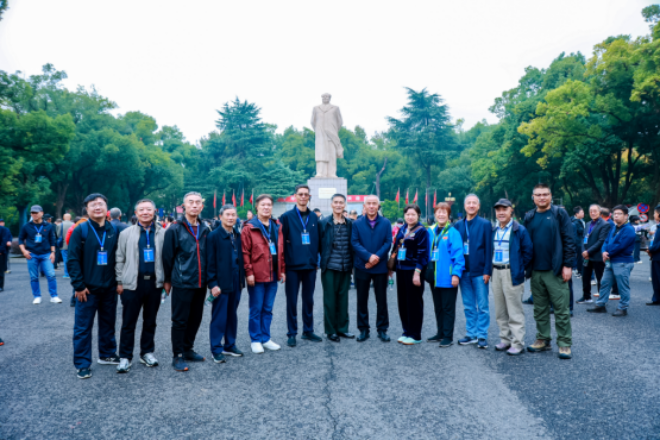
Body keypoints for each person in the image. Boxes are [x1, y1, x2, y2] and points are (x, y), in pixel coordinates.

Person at [67, 193, 121, 379]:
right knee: (83, 328)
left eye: (100, 204)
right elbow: (72, 260)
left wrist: (118, 282)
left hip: (109, 288)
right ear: (87, 209)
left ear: (107, 208)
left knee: (108, 324)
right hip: (87, 289)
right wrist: (78, 286)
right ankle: (82, 363)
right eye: (93, 205)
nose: (97, 207)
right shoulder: (80, 230)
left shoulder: (113, 230)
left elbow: (118, 258)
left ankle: (107, 354)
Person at [523, 183, 575, 360]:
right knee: (539, 309)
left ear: (551, 196)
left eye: (545, 194)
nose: (542, 197)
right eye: (538, 194)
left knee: (561, 309)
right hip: (536, 271)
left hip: (556, 270)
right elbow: (525, 243)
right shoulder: (529, 217)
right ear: (533, 197)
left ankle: (564, 343)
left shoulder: (559, 214)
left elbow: (569, 240)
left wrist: (567, 265)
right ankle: (543, 339)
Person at [115, 199, 166, 373]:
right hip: (131, 284)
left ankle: (147, 352)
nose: (145, 212)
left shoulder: (162, 233)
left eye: (148, 209)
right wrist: (119, 281)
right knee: (128, 322)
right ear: (136, 213)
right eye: (142, 210)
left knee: (150, 321)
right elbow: (119, 258)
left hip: (154, 283)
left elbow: (167, 258)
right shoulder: (126, 233)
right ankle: (125, 356)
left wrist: (166, 281)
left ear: (154, 212)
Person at [163, 192, 211, 371]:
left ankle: (188, 348)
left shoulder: (205, 228)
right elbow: (167, 257)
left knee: (196, 318)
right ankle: (177, 355)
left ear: (202, 206)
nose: (195, 205)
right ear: (184, 206)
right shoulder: (175, 229)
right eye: (191, 202)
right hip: (182, 281)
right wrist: (167, 280)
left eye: (198, 202)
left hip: (201, 281)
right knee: (180, 320)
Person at [280, 184, 323, 347]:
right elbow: (281, 243)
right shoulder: (286, 217)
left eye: (306, 194)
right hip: (292, 266)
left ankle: (308, 330)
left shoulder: (314, 217)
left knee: (309, 300)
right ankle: (292, 333)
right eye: (300, 194)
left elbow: (318, 241)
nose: (303, 196)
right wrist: (282, 267)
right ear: (295, 196)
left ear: (309, 197)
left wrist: (317, 260)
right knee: (292, 301)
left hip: (310, 265)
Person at [242, 194, 285, 354]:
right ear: (257, 207)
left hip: (273, 274)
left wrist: (282, 270)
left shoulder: (276, 226)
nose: (266, 207)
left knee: (268, 308)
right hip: (257, 275)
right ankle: (255, 339)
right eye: (263, 205)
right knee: (256, 309)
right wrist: (249, 272)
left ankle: (265, 338)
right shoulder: (249, 228)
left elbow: (281, 251)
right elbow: (245, 252)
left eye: (269, 205)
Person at [490, 199, 533, 356]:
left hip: (511, 272)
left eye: (504, 209)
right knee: (500, 310)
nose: (501, 212)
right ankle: (505, 339)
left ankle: (517, 343)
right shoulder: (493, 229)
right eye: (498, 210)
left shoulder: (519, 230)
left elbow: (528, 252)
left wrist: (520, 269)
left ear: (511, 211)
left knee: (514, 309)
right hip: (496, 272)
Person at [206, 204, 246, 364]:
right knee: (219, 316)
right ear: (221, 216)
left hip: (236, 279)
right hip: (220, 282)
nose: (230, 217)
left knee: (232, 314)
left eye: (233, 215)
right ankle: (216, 349)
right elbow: (210, 262)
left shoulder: (237, 234)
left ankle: (230, 345)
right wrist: (213, 284)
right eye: (227, 214)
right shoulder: (213, 236)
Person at [351, 195, 393, 342]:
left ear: (378, 206)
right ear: (364, 206)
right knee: (362, 300)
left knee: (381, 300)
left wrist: (376, 258)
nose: (371, 206)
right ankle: (363, 329)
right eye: (368, 203)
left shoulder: (386, 223)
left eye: (374, 203)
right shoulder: (357, 223)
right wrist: (368, 257)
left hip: (380, 267)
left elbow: (388, 242)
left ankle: (382, 329)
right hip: (362, 266)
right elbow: (355, 243)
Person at [453, 194, 492, 349]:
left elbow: (489, 249)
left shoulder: (485, 224)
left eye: (474, 203)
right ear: (464, 206)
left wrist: (487, 270)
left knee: (483, 306)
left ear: (478, 206)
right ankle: (471, 334)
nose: (471, 205)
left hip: (480, 271)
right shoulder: (458, 225)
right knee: (468, 305)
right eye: (468, 203)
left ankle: (482, 335)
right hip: (464, 272)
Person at [426, 203, 464, 347]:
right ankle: (440, 332)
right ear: (435, 214)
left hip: (447, 276)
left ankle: (448, 336)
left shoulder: (453, 232)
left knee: (448, 308)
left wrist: (456, 274)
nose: (441, 215)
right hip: (434, 277)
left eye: (444, 212)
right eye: (438, 212)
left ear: (448, 215)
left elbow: (458, 255)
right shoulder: (430, 231)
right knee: (438, 306)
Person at [588, 205, 636, 316]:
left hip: (623, 262)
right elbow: (605, 241)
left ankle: (623, 308)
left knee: (622, 286)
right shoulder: (614, 227)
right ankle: (600, 305)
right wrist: (603, 251)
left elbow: (621, 246)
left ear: (626, 216)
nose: (616, 216)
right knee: (604, 283)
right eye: (615, 214)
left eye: (619, 214)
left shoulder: (629, 229)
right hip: (611, 260)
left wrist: (607, 253)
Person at [391, 204, 429, 345]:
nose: (410, 217)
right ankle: (406, 331)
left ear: (418, 215)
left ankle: (415, 334)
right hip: (401, 269)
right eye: (407, 214)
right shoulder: (402, 229)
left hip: (413, 270)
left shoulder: (421, 231)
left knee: (414, 302)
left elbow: (423, 253)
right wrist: (391, 268)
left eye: (413, 214)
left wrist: (417, 272)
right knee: (403, 302)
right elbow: (396, 248)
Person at [319, 194, 354, 342]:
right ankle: (331, 330)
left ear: (344, 205)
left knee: (343, 298)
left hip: (345, 266)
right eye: (336, 202)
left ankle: (342, 328)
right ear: (331, 204)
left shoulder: (350, 223)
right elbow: (318, 244)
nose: (338, 205)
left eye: (341, 202)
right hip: (330, 266)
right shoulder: (324, 223)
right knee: (330, 300)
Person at [18, 205, 61, 304]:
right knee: (34, 277)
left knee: (51, 275)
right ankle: (37, 296)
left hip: (46, 254)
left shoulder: (48, 226)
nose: (34, 214)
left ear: (42, 213)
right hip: (32, 254)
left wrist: (53, 253)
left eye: (36, 213)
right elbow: (20, 239)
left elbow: (52, 240)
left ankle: (54, 296)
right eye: (32, 213)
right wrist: (24, 251)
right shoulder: (26, 226)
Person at [576, 204, 610, 304]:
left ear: (600, 212)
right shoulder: (588, 224)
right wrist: (584, 251)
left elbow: (601, 241)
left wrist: (588, 251)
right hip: (586, 256)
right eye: (591, 211)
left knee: (600, 279)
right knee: (585, 277)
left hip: (597, 256)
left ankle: (601, 300)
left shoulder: (604, 224)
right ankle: (586, 297)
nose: (593, 213)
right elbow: (583, 238)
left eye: (595, 211)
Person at [647, 205, 660, 305]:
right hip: (656, 256)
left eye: (655, 213)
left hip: (658, 256)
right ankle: (656, 298)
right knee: (655, 279)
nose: (654, 215)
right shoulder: (658, 227)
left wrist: (650, 249)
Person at [60, 213, 74, 279]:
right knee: (72, 259)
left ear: (63, 218)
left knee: (65, 260)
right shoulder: (74, 224)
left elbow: (58, 234)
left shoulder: (60, 225)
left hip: (63, 245)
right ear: (70, 218)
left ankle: (66, 273)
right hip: (72, 245)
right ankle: (72, 272)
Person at [572, 207, 585, 276]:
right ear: (577, 214)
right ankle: (580, 271)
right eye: (582, 212)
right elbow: (581, 231)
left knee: (580, 257)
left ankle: (580, 271)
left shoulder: (580, 220)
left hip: (580, 242)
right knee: (580, 257)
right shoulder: (576, 222)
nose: (583, 213)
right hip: (579, 242)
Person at [0, 219, 11, 292]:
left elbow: (4, 241)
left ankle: (0, 286)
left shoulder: (4, 229)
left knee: (0, 270)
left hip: (2, 251)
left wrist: (0, 250)